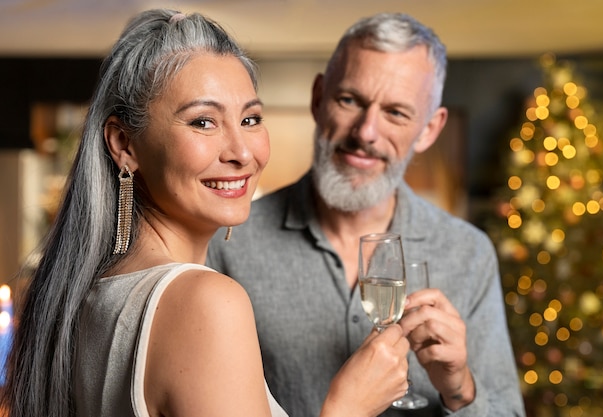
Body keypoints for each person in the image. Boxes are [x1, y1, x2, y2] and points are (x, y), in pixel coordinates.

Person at [0, 9, 412, 417]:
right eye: (203, 122)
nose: (242, 152)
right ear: (124, 144)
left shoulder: (84, 292)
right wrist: (348, 407)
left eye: (250, 118)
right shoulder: (206, 303)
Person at [208, 12, 526, 417]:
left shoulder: (469, 253)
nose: (366, 132)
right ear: (318, 98)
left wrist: (459, 387)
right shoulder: (228, 242)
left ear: (430, 129)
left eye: (396, 112)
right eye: (349, 100)